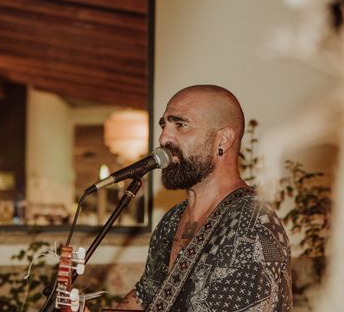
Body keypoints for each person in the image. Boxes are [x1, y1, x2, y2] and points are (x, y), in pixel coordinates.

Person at [117, 85, 292, 312]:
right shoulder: (171, 221)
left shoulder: (253, 225)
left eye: (180, 125)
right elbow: (145, 296)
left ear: (223, 140)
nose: (164, 137)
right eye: (164, 125)